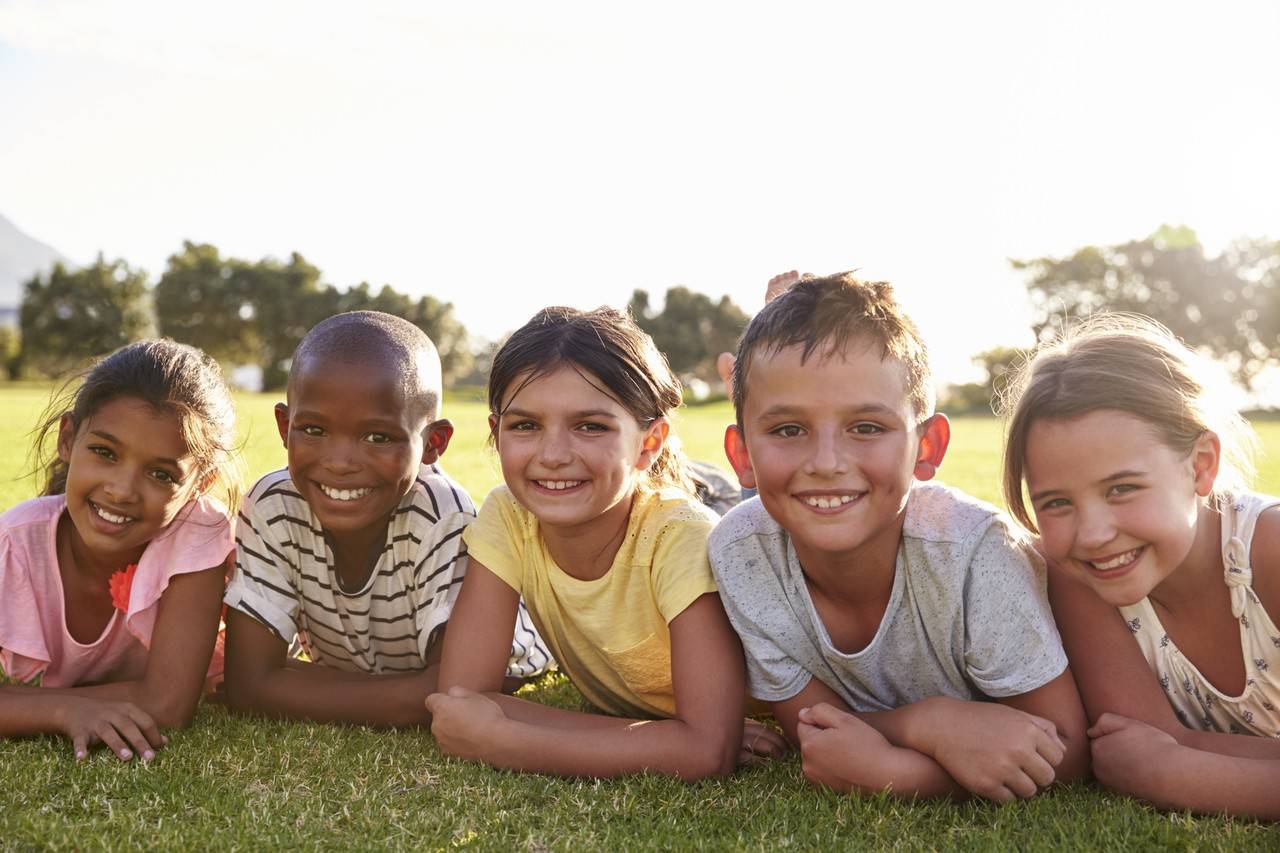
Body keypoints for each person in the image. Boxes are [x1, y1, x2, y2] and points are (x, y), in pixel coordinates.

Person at [712, 272, 1089, 801]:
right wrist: (929, 725)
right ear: (742, 456)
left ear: (928, 447)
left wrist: (909, 776)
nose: (826, 463)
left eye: (866, 427)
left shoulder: (975, 555)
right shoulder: (741, 554)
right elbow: (818, 735)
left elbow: (1066, 751)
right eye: (787, 430)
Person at [426, 306, 785, 779]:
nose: (553, 455)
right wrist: (659, 739)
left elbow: (705, 752)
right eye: (525, 425)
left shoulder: (679, 537)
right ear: (496, 433)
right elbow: (462, 701)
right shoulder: (509, 515)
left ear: (649, 441)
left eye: (591, 426)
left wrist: (503, 738)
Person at [1000, 313, 1280, 820]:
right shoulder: (1076, 573)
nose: (1093, 534)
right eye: (1056, 503)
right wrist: (1167, 752)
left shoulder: (1270, 553)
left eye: (1121, 489)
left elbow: (1149, 759)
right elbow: (1141, 740)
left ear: (1200, 465)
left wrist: (1173, 773)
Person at [223, 311, 548, 727]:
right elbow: (246, 686)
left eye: (378, 437)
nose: (340, 463)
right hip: (369, 668)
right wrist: (266, 686)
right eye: (314, 430)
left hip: (517, 663)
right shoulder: (273, 503)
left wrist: (290, 686)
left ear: (434, 443)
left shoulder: (439, 514)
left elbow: (453, 694)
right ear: (285, 427)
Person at [0, 340, 239, 761]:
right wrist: (62, 709)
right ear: (68, 439)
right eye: (104, 452)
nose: (121, 490)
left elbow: (169, 703)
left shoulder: (197, 535)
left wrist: (34, 706)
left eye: (161, 474)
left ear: (199, 484)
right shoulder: (14, 545)